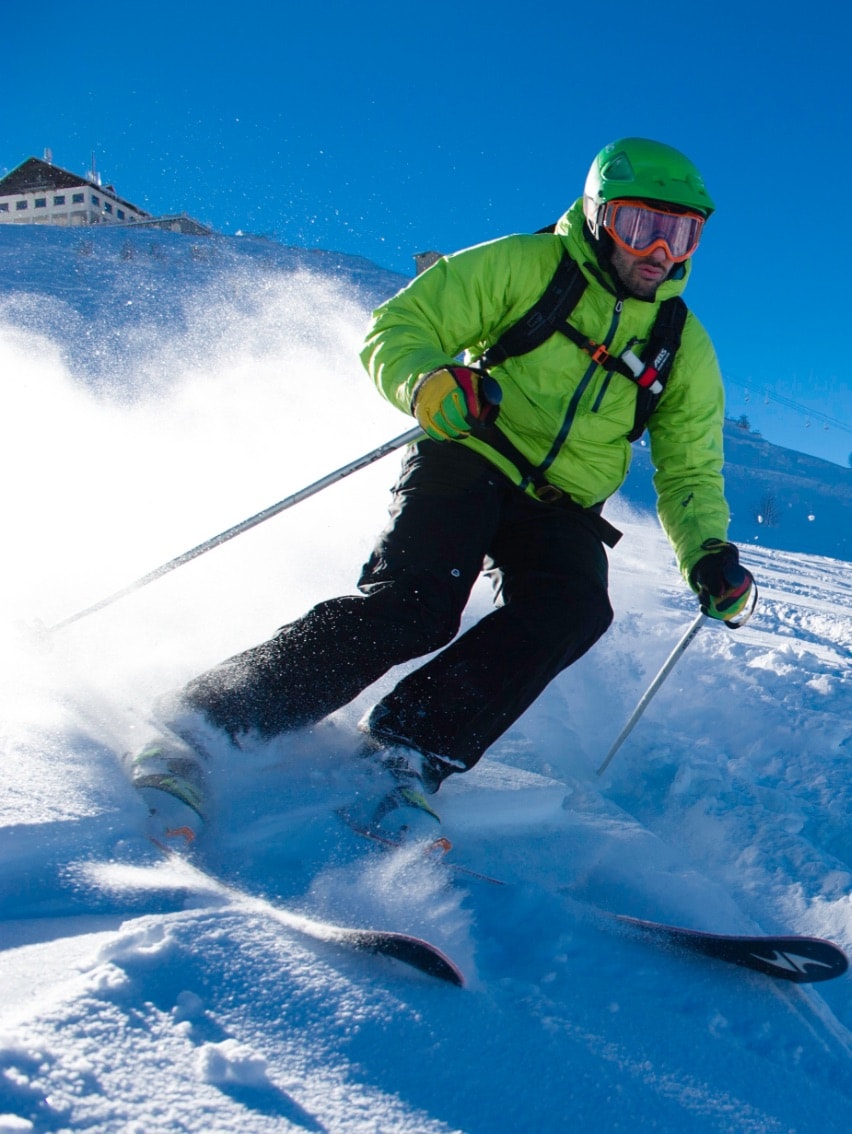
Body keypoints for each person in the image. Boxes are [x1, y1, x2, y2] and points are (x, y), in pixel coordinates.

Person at [128, 137, 756, 851]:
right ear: (596, 215)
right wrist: (428, 383)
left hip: (561, 504)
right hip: (471, 448)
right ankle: (203, 722)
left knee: (574, 606)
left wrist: (707, 551)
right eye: (640, 226)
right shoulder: (525, 266)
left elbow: (690, 471)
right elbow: (400, 328)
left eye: (683, 234)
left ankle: (405, 750)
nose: (660, 253)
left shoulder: (683, 346)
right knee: (418, 605)